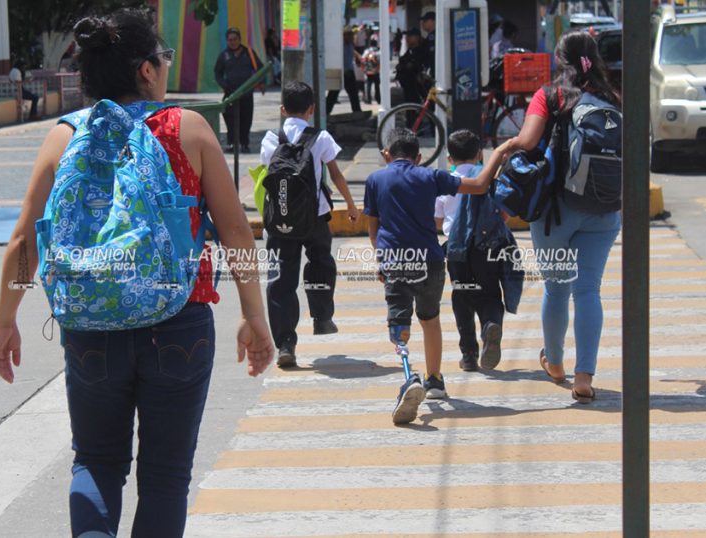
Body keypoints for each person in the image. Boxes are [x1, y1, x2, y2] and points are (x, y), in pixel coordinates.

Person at [0, 10, 274, 537]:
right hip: (179, 323)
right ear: (146, 70)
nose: (166, 69)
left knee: (95, 463)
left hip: (90, 329)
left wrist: (5, 320)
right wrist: (254, 316)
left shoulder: (62, 137)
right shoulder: (186, 128)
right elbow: (236, 230)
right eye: (164, 60)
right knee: (166, 478)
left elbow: (22, 243)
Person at [504, 31, 623, 404]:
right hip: (605, 209)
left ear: (561, 59)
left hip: (557, 211)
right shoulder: (612, 98)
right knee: (588, 290)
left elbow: (526, 140)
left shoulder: (551, 95)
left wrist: (502, 150)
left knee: (557, 288)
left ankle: (555, 365)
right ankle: (584, 376)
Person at [364, 129, 513, 424]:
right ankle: (434, 379)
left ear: (386, 155)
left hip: (396, 260)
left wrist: (381, 260)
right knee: (430, 319)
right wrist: (500, 152)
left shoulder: (375, 180)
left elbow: (374, 227)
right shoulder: (430, 177)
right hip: (431, 261)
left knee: (399, 322)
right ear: (419, 158)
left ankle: (410, 377)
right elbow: (481, 185)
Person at [260, 81, 360, 368]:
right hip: (315, 217)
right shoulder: (321, 138)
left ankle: (286, 344)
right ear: (312, 109)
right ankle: (322, 316)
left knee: (281, 281)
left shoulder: (270, 140)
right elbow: (336, 176)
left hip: (280, 219)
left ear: (282, 109)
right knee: (321, 263)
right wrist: (351, 205)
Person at [435, 130, 522, 372]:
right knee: (490, 293)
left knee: (462, 296)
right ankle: (491, 324)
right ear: (480, 154)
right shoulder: (488, 179)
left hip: (456, 250)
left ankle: (469, 355)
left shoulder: (445, 182)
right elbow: (503, 215)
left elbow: (436, 221)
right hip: (487, 248)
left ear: (449, 158)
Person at [214, 27, 264, 152]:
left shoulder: (249, 53)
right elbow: (217, 73)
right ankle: (232, 144)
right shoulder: (224, 55)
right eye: (230, 40)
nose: (233, 42)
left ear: (240, 39)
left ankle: (244, 144)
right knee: (230, 119)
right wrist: (224, 85)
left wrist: (261, 84)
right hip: (231, 95)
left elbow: (261, 69)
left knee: (246, 120)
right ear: (227, 41)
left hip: (246, 93)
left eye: (235, 39)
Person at [326, 28, 363, 115]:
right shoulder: (339, 44)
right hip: (341, 72)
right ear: (344, 35)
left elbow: (352, 52)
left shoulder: (350, 44)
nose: (352, 37)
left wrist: (357, 57)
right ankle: (326, 111)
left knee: (353, 93)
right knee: (333, 93)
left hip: (349, 72)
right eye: (349, 35)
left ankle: (357, 111)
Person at [395, 29, 431, 105]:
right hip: (407, 85)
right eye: (407, 36)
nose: (407, 38)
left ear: (417, 37)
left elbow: (416, 65)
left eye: (410, 36)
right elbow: (403, 61)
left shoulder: (421, 50)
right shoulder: (410, 50)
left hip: (416, 85)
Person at [362, 39, 381, 105]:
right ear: (376, 44)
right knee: (377, 86)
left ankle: (369, 99)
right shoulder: (378, 51)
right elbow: (380, 60)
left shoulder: (367, 51)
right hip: (376, 71)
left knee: (368, 85)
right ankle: (378, 99)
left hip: (369, 71)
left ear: (370, 44)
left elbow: (363, 59)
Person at [421, 11, 437, 77]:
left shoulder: (434, 37)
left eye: (425, 20)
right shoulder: (429, 37)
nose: (423, 23)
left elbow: (431, 56)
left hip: (434, 72)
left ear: (433, 21)